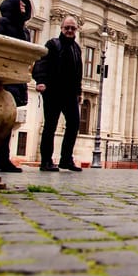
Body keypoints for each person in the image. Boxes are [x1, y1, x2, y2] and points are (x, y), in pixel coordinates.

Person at [32, 15, 84, 172]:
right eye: (67, 28)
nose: (69, 30)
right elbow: (41, 63)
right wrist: (40, 81)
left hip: (70, 95)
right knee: (50, 126)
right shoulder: (52, 44)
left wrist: (79, 92)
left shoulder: (77, 48)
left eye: (72, 28)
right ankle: (46, 161)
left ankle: (66, 159)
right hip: (53, 92)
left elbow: (78, 72)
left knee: (74, 124)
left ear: (76, 30)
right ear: (61, 28)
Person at [0, 0, 33, 173]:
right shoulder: (1, 24)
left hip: (17, 80)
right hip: (3, 78)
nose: (23, 8)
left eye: (25, 6)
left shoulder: (25, 31)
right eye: (20, 5)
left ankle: (3, 158)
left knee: (8, 122)